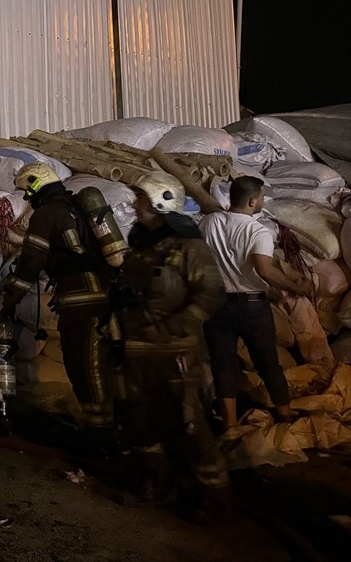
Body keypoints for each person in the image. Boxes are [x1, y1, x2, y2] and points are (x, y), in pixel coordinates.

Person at [114, 171, 230, 522]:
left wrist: (170, 328)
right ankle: (156, 482)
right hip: (136, 354)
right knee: (141, 422)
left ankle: (211, 497)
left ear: (159, 204)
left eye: (141, 200)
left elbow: (210, 295)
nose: (135, 206)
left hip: (173, 353)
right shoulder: (140, 250)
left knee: (189, 425)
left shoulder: (188, 249)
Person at [0, 162, 116, 441]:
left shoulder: (47, 214)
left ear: (36, 186)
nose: (27, 199)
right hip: (106, 294)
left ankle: (100, 433)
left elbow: (30, 263)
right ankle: (108, 423)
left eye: (27, 193)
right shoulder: (77, 206)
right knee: (100, 362)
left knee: (84, 365)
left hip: (81, 301)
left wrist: (9, 301)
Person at [201, 175, 310, 433]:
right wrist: (295, 287)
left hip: (216, 305)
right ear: (252, 201)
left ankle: (229, 422)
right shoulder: (258, 230)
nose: (261, 200)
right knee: (267, 362)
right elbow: (264, 268)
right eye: (261, 197)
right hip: (251, 307)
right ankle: (284, 414)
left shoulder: (210, 222)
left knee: (223, 363)